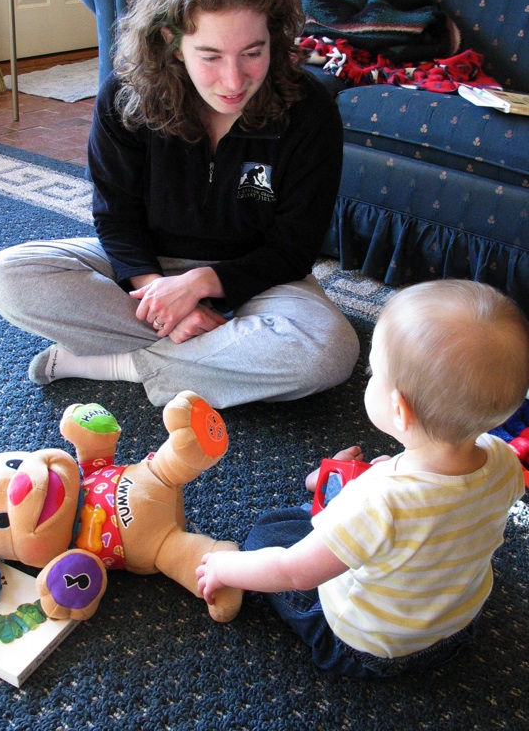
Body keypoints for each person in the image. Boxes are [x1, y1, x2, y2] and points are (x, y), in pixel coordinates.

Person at [0, 0, 359, 409]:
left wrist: (201, 285)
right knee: (8, 276)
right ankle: (213, 357)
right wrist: (161, 299)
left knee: (328, 353)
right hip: (145, 276)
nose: (234, 80)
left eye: (253, 52)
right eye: (211, 55)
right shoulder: (125, 96)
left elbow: (292, 249)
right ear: (172, 42)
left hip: (256, 281)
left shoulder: (309, 110)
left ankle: (115, 363)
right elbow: (116, 217)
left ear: (275, 36)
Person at [196, 280, 529, 676]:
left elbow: (293, 571)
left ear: (399, 410)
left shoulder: (378, 499)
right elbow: (441, 507)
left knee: (271, 532)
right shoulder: (506, 462)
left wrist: (224, 568)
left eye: (373, 373)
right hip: (456, 629)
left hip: (364, 647)